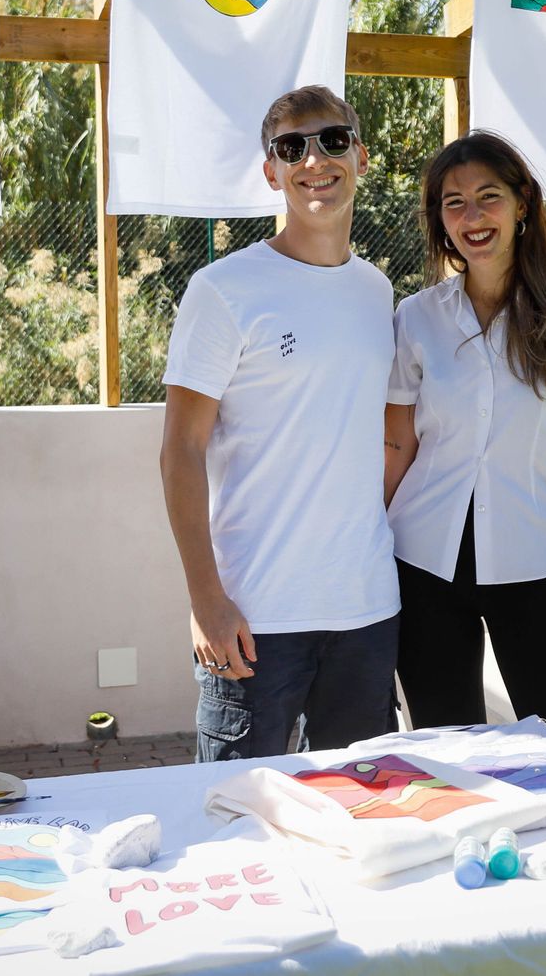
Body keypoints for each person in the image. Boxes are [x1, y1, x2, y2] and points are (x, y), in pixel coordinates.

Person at [159, 85, 400, 760]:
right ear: (272, 171)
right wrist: (206, 598)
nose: (313, 159)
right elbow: (180, 449)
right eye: (291, 147)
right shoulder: (222, 290)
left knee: (359, 823)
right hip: (254, 617)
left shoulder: (378, 291)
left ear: (360, 155)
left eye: (331, 140)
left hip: (366, 610)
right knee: (236, 822)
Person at [383, 131, 546, 728]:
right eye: (453, 202)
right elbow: (397, 446)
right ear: (440, 220)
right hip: (424, 567)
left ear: (522, 204)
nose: (472, 216)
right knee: (447, 756)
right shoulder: (415, 318)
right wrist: (369, 561)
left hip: (541, 567)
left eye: (487, 196)